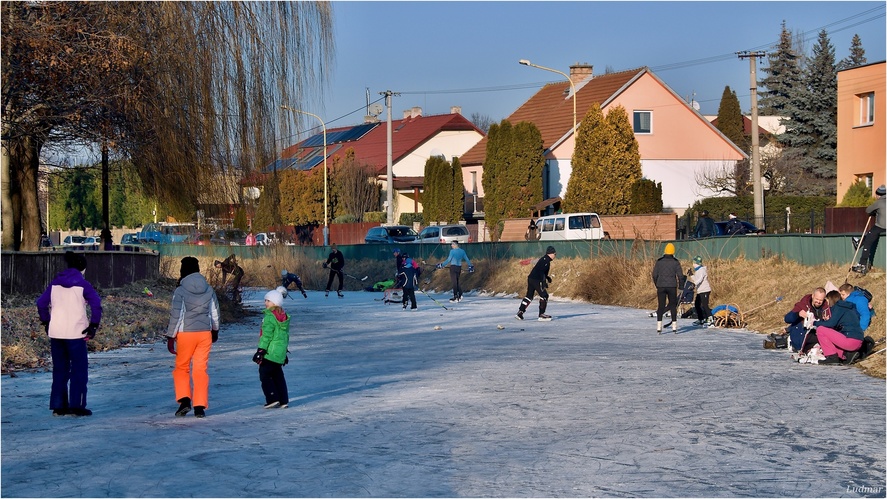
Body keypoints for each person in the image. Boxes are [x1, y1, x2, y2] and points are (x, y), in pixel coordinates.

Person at [36, 251, 102, 417]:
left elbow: (41, 303)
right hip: (76, 333)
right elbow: (96, 305)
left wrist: (46, 321)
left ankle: (59, 406)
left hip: (56, 333)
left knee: (60, 369)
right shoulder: (83, 285)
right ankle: (77, 406)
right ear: (83, 268)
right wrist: (93, 325)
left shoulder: (54, 284)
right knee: (79, 370)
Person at [166, 257, 221, 418]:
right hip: (204, 334)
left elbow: (176, 315)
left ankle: (184, 400)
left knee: (182, 368)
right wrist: (215, 330)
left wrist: (170, 336)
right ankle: (199, 406)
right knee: (200, 370)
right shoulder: (209, 289)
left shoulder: (180, 291)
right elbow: (215, 313)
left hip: (185, 334)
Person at [253, 289, 290, 409]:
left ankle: (272, 398)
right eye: (265, 300)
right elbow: (283, 337)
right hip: (279, 353)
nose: (265, 303)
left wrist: (260, 350)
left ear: (274, 303)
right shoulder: (283, 317)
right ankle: (283, 400)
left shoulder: (269, 317)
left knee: (265, 375)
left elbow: (266, 336)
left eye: (268, 301)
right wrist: (283, 353)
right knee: (278, 376)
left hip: (270, 352)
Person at [813, 290, 864, 365]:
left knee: (820, 329)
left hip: (850, 340)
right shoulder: (848, 308)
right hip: (858, 341)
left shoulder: (838, 307)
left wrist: (814, 322)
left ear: (829, 300)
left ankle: (832, 357)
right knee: (828, 333)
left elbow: (831, 324)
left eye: (826, 301)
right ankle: (846, 355)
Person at [783, 287, 831, 352]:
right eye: (817, 299)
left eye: (821, 300)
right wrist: (798, 314)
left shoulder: (826, 309)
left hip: (817, 335)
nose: (818, 302)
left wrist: (827, 320)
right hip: (802, 334)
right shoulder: (803, 305)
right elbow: (787, 319)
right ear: (813, 296)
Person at [516, 246, 556, 321]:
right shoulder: (545, 261)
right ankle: (541, 315)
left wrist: (547, 277)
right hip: (536, 280)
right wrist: (543, 282)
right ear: (550, 253)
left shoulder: (544, 259)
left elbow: (540, 270)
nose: (555, 255)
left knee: (529, 296)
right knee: (544, 295)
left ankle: (520, 312)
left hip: (531, 278)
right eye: (554, 253)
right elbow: (541, 271)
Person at [853, 184, 885, 275]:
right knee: (870, 234)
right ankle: (859, 242)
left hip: (881, 226)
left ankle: (862, 264)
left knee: (869, 240)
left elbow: (868, 210)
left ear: (878, 195)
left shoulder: (879, 202)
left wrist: (874, 211)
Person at [652, 243, 683, 333]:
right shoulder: (676, 262)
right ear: (673, 252)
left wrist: (657, 284)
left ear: (665, 251)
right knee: (673, 306)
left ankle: (659, 326)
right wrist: (681, 287)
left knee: (661, 306)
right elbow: (680, 276)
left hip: (661, 286)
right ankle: (674, 327)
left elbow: (654, 275)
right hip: (672, 286)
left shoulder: (659, 261)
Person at [689, 256, 712, 326]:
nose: (693, 264)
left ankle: (710, 319)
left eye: (694, 262)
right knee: (697, 305)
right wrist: (691, 275)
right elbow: (696, 279)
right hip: (700, 291)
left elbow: (700, 279)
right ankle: (701, 319)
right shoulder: (697, 270)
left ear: (697, 263)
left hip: (705, 290)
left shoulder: (702, 269)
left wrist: (694, 284)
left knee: (705, 305)